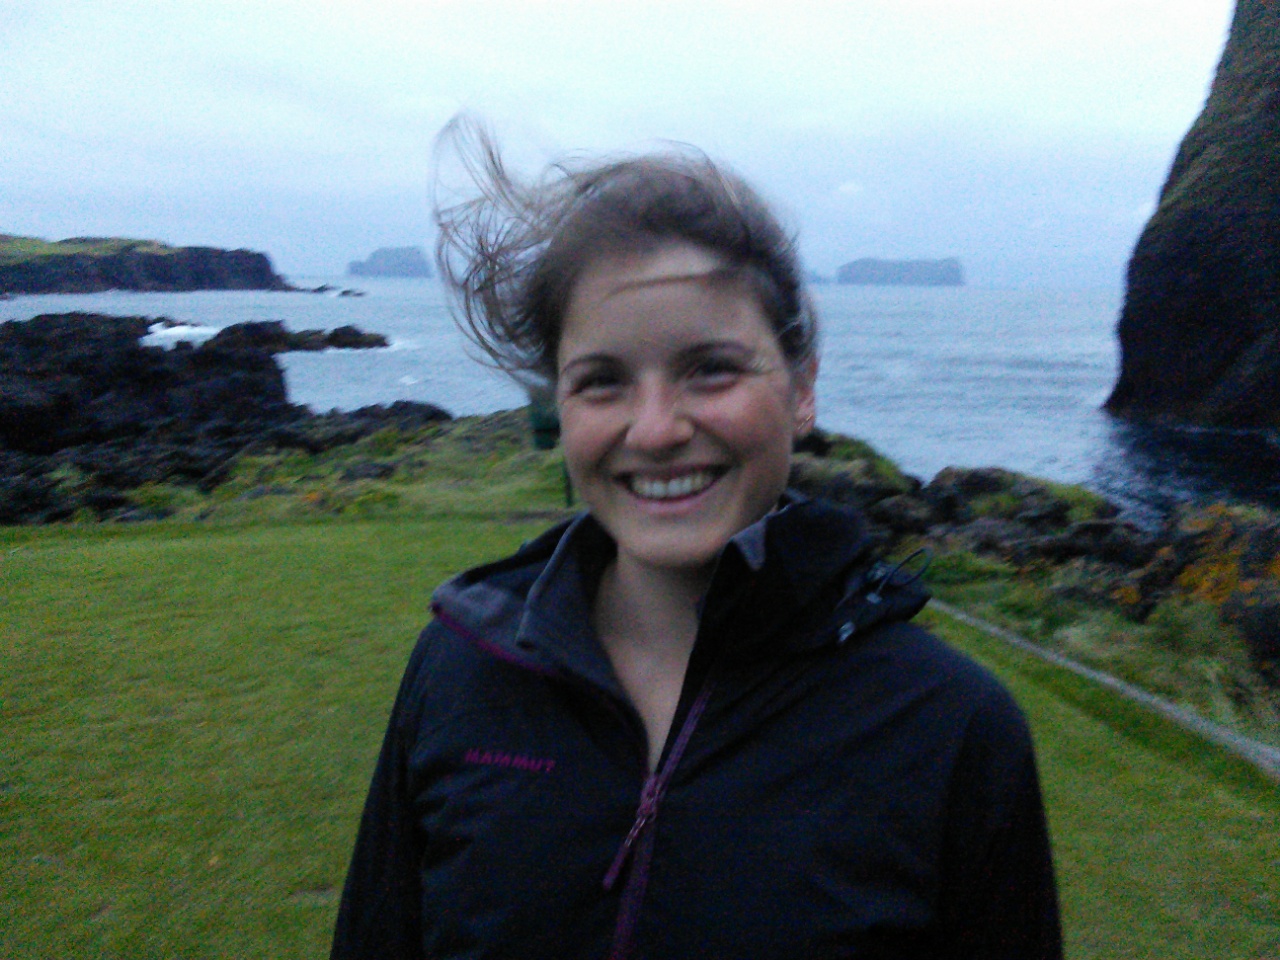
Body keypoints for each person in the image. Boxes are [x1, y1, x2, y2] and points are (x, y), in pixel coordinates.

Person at [331, 118, 1063, 960]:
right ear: (558, 404)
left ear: (802, 386)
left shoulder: (950, 729)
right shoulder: (459, 670)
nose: (655, 430)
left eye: (710, 369)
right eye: (602, 381)